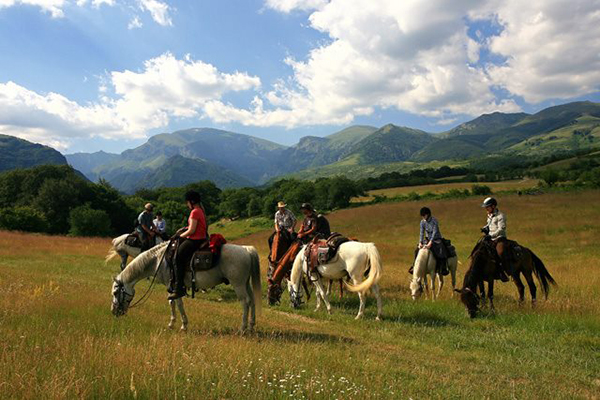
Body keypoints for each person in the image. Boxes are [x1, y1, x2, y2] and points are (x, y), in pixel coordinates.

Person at [168, 191, 208, 300]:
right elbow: (192, 226)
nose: (187, 204)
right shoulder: (200, 211)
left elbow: (192, 231)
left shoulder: (194, 212)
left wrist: (179, 237)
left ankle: (179, 288)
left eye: (187, 202)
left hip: (195, 240)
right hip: (201, 239)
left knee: (177, 258)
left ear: (192, 202)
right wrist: (183, 229)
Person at [409, 207, 449, 275]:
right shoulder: (422, 222)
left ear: (428, 214)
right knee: (416, 250)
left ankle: (443, 268)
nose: (423, 217)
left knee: (441, 249)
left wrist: (431, 242)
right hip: (427, 239)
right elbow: (421, 232)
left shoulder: (434, 221)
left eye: (424, 215)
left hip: (436, 239)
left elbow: (435, 231)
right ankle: (414, 266)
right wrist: (420, 242)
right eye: (422, 216)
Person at [481, 197, 510, 282]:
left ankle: (502, 271)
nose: (486, 208)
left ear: (493, 206)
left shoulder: (501, 216)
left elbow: (501, 229)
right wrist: (484, 228)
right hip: (490, 238)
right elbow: (489, 224)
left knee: (500, 252)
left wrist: (491, 235)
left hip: (499, 238)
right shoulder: (489, 215)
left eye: (487, 207)